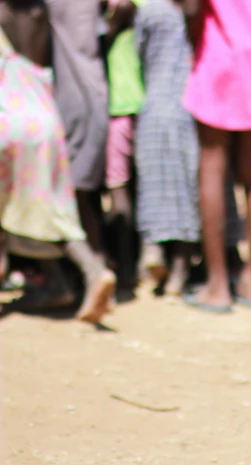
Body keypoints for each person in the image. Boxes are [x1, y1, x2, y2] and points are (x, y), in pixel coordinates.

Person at [0, 0, 115, 323]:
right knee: (45, 206)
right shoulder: (39, 11)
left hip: (7, 117)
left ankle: (85, 273)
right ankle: (73, 278)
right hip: (44, 119)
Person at [179, 0, 251, 313]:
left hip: (218, 57)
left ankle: (217, 284)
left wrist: (195, 37)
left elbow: (192, 8)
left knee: (211, 167)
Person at [134, 0, 200, 296]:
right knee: (188, 188)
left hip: (156, 105)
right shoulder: (197, 11)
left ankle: (152, 249)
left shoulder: (149, 11)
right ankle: (179, 272)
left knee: (153, 184)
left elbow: (141, 56)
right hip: (193, 106)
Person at [45, 0, 110, 269]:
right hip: (95, 95)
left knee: (64, 199)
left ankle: (86, 272)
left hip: (69, 100)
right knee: (84, 198)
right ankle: (97, 264)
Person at [102, 0, 147, 293]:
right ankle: (142, 259)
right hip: (143, 101)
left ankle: (127, 265)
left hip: (118, 105)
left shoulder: (118, 8)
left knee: (118, 189)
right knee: (138, 187)